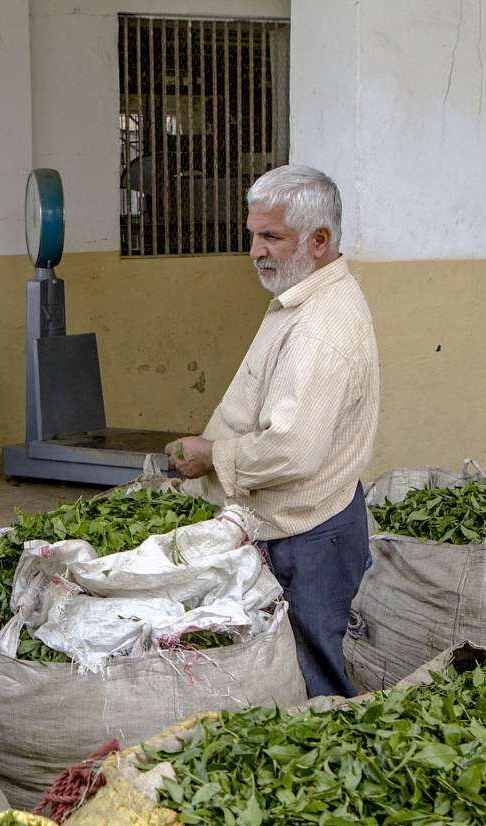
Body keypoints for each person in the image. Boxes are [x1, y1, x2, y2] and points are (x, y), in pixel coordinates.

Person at [164, 164, 380, 698]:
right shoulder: (303, 296)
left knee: (315, 676)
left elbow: (292, 449)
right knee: (295, 667)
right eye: (254, 235)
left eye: (271, 237)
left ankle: (334, 769)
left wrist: (212, 455)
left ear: (321, 240)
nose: (256, 251)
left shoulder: (321, 327)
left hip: (310, 533)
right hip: (306, 524)